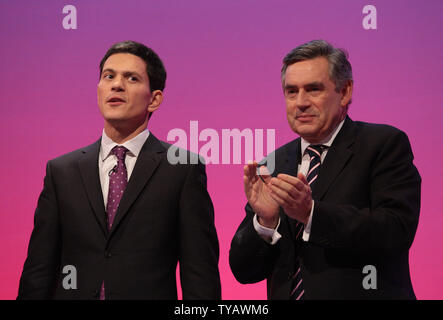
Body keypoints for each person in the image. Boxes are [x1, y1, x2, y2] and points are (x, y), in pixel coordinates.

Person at [18, 40, 221, 299]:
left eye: (131, 78)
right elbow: (39, 270)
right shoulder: (61, 171)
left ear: (154, 99)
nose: (116, 84)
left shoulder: (182, 169)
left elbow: (199, 274)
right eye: (108, 76)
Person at [229, 40, 421, 300]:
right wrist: (265, 222)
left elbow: (395, 231)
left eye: (313, 89)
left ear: (344, 92)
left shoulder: (383, 144)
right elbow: (244, 271)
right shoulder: (273, 164)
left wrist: (311, 214)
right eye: (291, 91)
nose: (301, 102)